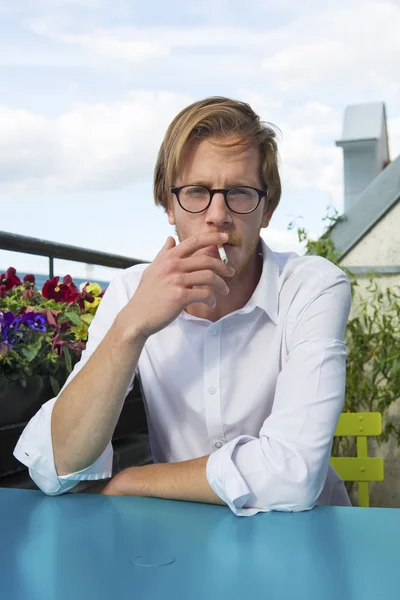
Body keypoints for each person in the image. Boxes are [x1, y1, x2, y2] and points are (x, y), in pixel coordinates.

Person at [14, 97, 352, 516]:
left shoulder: (311, 286)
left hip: (302, 538)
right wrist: (131, 327)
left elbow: (292, 475)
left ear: (267, 209)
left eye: (241, 193)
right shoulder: (130, 291)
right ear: (169, 206)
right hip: (182, 541)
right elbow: (56, 467)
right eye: (196, 192)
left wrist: (133, 480)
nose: (218, 216)